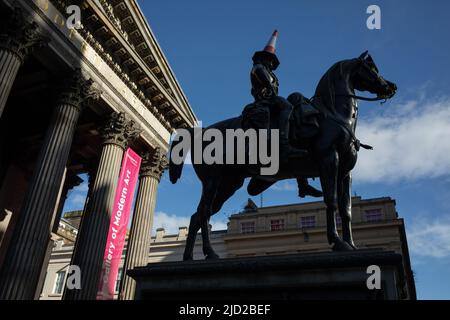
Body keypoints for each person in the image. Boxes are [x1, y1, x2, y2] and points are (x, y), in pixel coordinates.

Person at [249, 30, 323, 198]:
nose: (270, 62)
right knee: (287, 106)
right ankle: (283, 144)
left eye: (272, 60)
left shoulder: (273, 75)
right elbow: (267, 86)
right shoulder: (258, 68)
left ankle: (302, 184)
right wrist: (275, 95)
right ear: (262, 58)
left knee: (296, 106)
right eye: (269, 59)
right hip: (263, 102)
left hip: (271, 101)